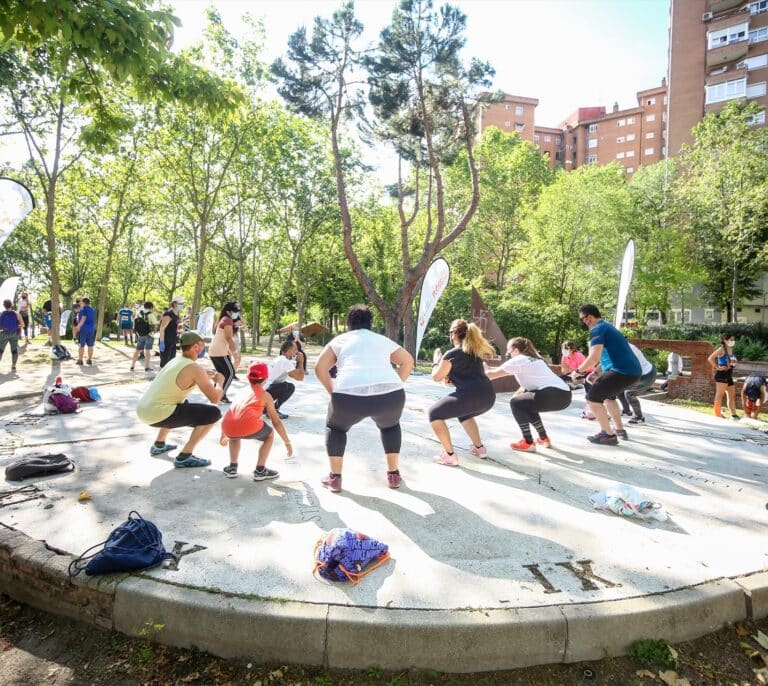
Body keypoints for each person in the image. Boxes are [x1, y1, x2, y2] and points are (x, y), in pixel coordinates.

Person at [314, 304, 414, 493]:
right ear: (370, 323)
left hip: (348, 397)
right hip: (390, 396)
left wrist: (332, 391)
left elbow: (320, 368)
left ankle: (335, 479)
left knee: (335, 428)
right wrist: (395, 383)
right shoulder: (382, 340)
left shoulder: (340, 340)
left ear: (348, 323)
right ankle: (393, 475)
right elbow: (408, 360)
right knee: (391, 426)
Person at [136, 330, 223, 468]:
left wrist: (204, 375)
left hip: (143, 410)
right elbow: (215, 398)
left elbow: (185, 377)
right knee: (213, 413)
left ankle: (159, 444)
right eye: (202, 344)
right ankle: (185, 456)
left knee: (181, 402)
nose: (203, 348)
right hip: (157, 414)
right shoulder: (194, 367)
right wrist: (219, 381)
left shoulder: (176, 361)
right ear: (195, 347)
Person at [571, 305, 641, 445]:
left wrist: (578, 371)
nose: (582, 323)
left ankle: (608, 435)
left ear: (589, 317)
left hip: (622, 371)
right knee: (609, 398)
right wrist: (596, 372)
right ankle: (619, 429)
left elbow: (593, 357)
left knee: (592, 398)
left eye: (582, 319)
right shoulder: (606, 327)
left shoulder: (597, 329)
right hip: (631, 371)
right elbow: (606, 357)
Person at [429, 318, 496, 466]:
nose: (450, 336)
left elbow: (436, 377)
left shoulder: (452, 353)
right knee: (464, 413)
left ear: (454, 334)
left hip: (472, 395)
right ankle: (480, 449)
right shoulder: (474, 353)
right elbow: (463, 376)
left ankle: (449, 455)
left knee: (434, 413)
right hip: (489, 396)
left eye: (450, 332)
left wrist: (436, 361)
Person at [486, 337, 572, 451]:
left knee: (516, 403)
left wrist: (481, 370)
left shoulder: (519, 359)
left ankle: (528, 442)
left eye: (509, 351)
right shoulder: (534, 359)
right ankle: (543, 438)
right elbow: (500, 370)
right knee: (526, 405)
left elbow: (491, 375)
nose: (508, 354)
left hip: (551, 394)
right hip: (565, 396)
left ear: (515, 350)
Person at [219, 361, 292, 481]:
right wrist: (287, 442)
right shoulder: (265, 395)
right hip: (248, 425)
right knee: (269, 435)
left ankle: (232, 467)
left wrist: (224, 434)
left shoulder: (241, 392)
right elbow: (276, 421)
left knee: (234, 436)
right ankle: (260, 470)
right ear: (266, 379)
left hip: (228, 425)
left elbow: (231, 413)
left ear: (248, 377)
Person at [208, 302, 241, 403]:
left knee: (222, 375)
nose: (236, 313)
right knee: (230, 374)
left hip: (215, 351)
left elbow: (227, 335)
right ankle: (221, 396)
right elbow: (228, 338)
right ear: (228, 312)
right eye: (234, 311)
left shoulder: (225, 320)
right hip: (219, 352)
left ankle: (215, 394)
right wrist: (235, 352)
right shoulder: (227, 320)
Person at [617, 342, 657, 425]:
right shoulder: (625, 345)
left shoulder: (626, 349)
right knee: (619, 389)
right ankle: (627, 411)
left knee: (629, 393)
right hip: (645, 372)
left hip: (646, 375)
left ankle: (639, 417)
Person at [266, 340, 305, 419]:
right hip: (266, 390)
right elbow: (300, 377)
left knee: (285, 384)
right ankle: (273, 410)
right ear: (289, 351)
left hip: (263, 391)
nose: (297, 352)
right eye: (295, 349)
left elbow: (293, 374)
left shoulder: (280, 359)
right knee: (289, 387)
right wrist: (301, 362)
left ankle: (267, 408)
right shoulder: (285, 362)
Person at [707, 333, 739, 420]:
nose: (733, 341)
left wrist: (733, 363)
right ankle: (717, 414)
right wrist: (717, 367)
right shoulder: (721, 349)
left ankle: (733, 415)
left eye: (733, 339)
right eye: (731, 339)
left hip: (729, 375)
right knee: (719, 395)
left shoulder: (731, 349)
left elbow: (732, 362)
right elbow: (710, 358)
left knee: (731, 395)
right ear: (725, 340)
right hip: (722, 375)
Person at [158, 295, 184, 368]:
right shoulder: (168, 314)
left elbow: (177, 327)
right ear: (175, 303)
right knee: (164, 365)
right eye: (181, 304)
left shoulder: (177, 314)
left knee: (170, 365)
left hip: (173, 342)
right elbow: (162, 328)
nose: (182, 305)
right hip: (166, 342)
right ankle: (159, 379)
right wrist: (162, 342)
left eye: (182, 304)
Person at [130, 302, 155, 372]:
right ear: (151, 307)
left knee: (137, 350)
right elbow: (154, 323)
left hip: (141, 334)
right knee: (147, 351)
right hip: (149, 335)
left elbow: (134, 322)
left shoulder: (139, 313)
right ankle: (147, 367)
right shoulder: (151, 315)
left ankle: (132, 366)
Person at [0, 299, 23, 373]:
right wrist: (18, 328)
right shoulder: (17, 314)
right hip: (14, 334)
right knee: (14, 350)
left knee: (0, 350)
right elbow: (22, 324)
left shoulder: (1, 314)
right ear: (11, 305)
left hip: (4, 334)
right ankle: (13, 366)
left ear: (4, 306)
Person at [73, 297, 96, 366]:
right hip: (91, 329)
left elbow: (83, 319)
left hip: (84, 329)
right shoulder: (92, 310)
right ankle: (89, 359)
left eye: (81, 303)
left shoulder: (83, 310)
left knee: (81, 345)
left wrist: (78, 326)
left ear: (84, 303)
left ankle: (80, 360)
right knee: (90, 345)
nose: (80, 304)